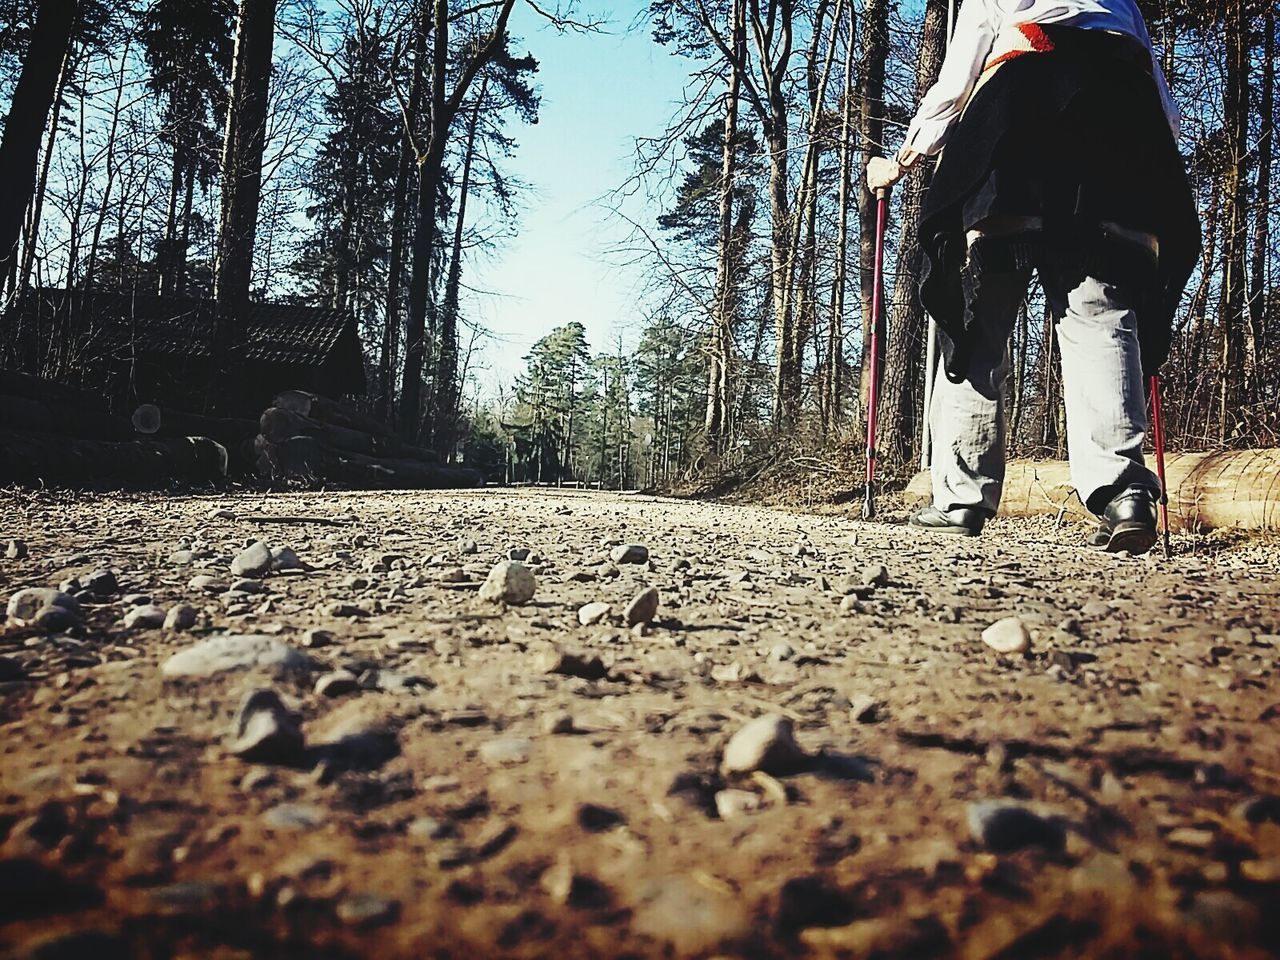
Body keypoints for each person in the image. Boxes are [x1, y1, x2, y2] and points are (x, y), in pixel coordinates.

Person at [867, 0, 1200, 554]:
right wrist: (1163, 163)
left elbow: (959, 78)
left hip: (1019, 124)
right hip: (1117, 124)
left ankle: (962, 498)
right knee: (1100, 306)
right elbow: (1159, 94)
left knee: (980, 314)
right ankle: (1124, 494)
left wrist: (903, 158)